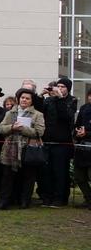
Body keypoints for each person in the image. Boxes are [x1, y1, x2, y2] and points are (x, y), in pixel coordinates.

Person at [0, 88, 45, 209]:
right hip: (10, 148)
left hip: (28, 148)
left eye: (27, 98)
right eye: (22, 97)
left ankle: (25, 201)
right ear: (18, 99)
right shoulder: (10, 113)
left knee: (28, 176)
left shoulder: (38, 114)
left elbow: (39, 132)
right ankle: (4, 202)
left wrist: (23, 128)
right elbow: (1, 128)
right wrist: (12, 127)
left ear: (31, 101)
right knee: (7, 177)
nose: (24, 100)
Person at [41, 77, 77, 207]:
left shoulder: (71, 100)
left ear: (68, 89)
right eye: (59, 86)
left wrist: (60, 98)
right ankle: (47, 197)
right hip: (47, 140)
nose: (60, 89)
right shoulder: (49, 100)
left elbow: (66, 116)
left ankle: (60, 198)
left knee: (60, 171)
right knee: (47, 171)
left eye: (63, 87)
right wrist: (41, 95)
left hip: (62, 142)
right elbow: (40, 111)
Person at [72, 91, 91, 208]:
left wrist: (87, 133)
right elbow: (77, 124)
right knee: (79, 176)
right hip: (82, 148)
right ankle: (88, 198)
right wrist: (77, 133)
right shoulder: (84, 109)